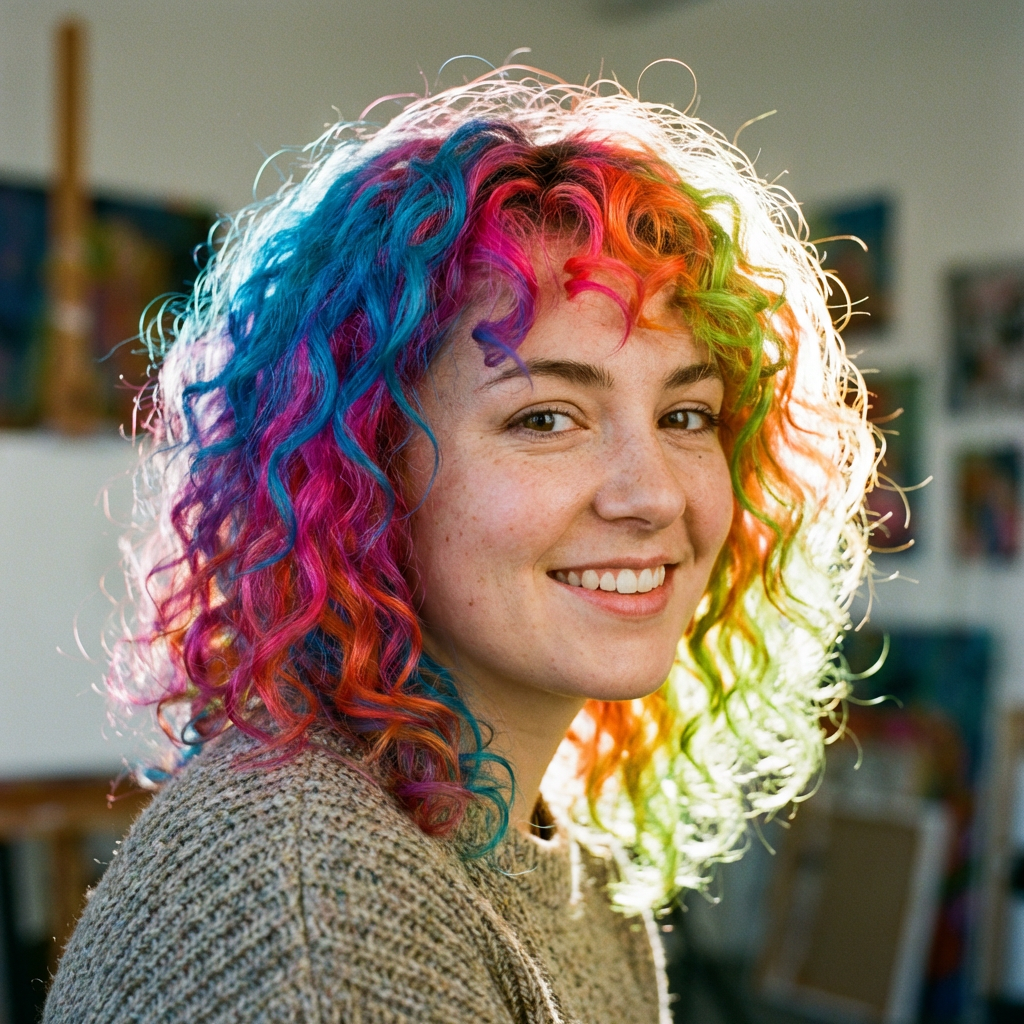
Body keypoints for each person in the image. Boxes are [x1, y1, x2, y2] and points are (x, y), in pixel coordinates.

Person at [44, 68, 875, 1023]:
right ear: (360, 468)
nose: (654, 495)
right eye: (546, 419)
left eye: (687, 413)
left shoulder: (543, 852)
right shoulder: (323, 915)